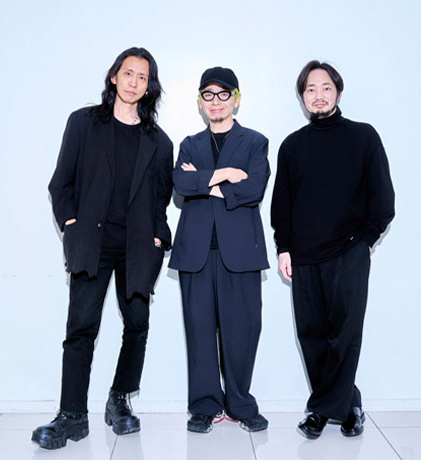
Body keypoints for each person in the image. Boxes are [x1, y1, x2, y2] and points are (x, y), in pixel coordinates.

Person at [32, 47, 173, 450]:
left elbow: (161, 200)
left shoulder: (159, 142)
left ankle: (119, 399)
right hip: (92, 245)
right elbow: (61, 183)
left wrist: (158, 238)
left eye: (142, 77)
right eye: (128, 73)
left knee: (137, 325)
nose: (134, 82)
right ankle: (72, 416)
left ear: (149, 87)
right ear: (114, 77)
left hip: (137, 249)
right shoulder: (83, 123)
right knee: (81, 329)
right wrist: (71, 224)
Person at [271, 60, 395, 439]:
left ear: (338, 92)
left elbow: (383, 200)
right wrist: (284, 248)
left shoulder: (363, 137)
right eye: (310, 89)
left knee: (344, 335)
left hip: (349, 251)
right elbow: (282, 205)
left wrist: (364, 242)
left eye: (325, 87)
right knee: (311, 336)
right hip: (304, 256)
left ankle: (320, 411)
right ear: (302, 97)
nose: (318, 95)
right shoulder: (292, 146)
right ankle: (348, 404)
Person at [169, 67, 270, 434]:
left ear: (236, 99)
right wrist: (226, 174)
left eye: (223, 94)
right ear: (200, 102)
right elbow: (180, 184)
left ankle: (240, 403)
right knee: (198, 331)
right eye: (208, 95)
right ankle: (204, 406)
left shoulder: (255, 142)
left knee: (242, 330)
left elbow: (254, 189)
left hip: (240, 253)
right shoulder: (189, 144)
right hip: (195, 252)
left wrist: (203, 183)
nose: (216, 101)